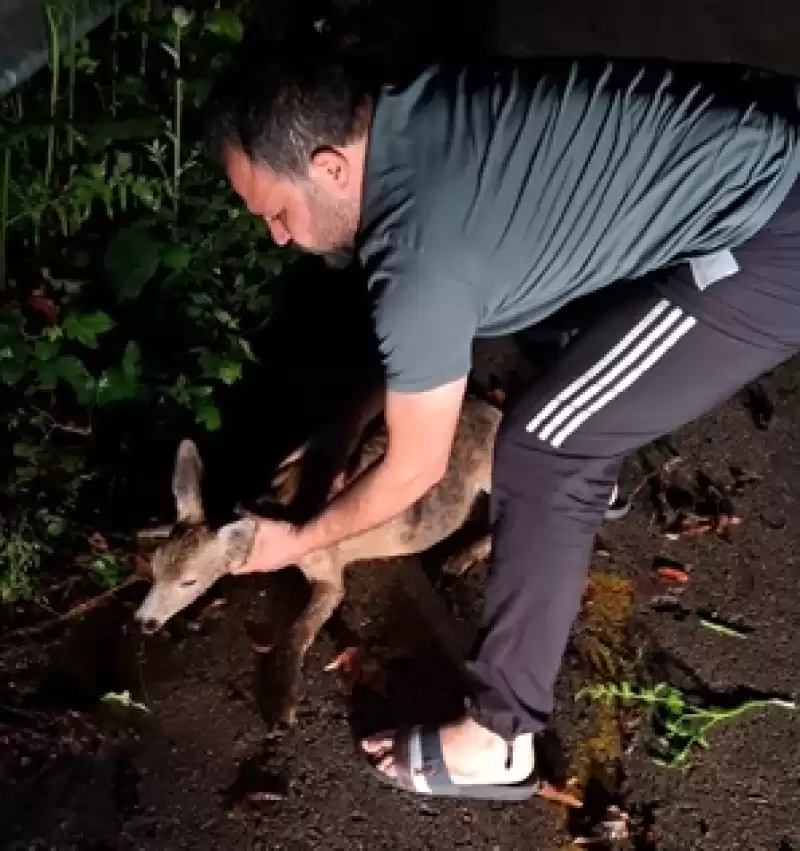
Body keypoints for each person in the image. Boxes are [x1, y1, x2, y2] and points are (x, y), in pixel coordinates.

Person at [204, 44, 800, 801]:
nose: (277, 237)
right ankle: (587, 485)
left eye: (276, 213)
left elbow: (414, 469)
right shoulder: (411, 101)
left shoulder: (418, 255)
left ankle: (499, 737)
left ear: (327, 166)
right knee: (535, 299)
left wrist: (301, 537)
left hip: (771, 227)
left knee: (547, 449)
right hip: (758, 119)